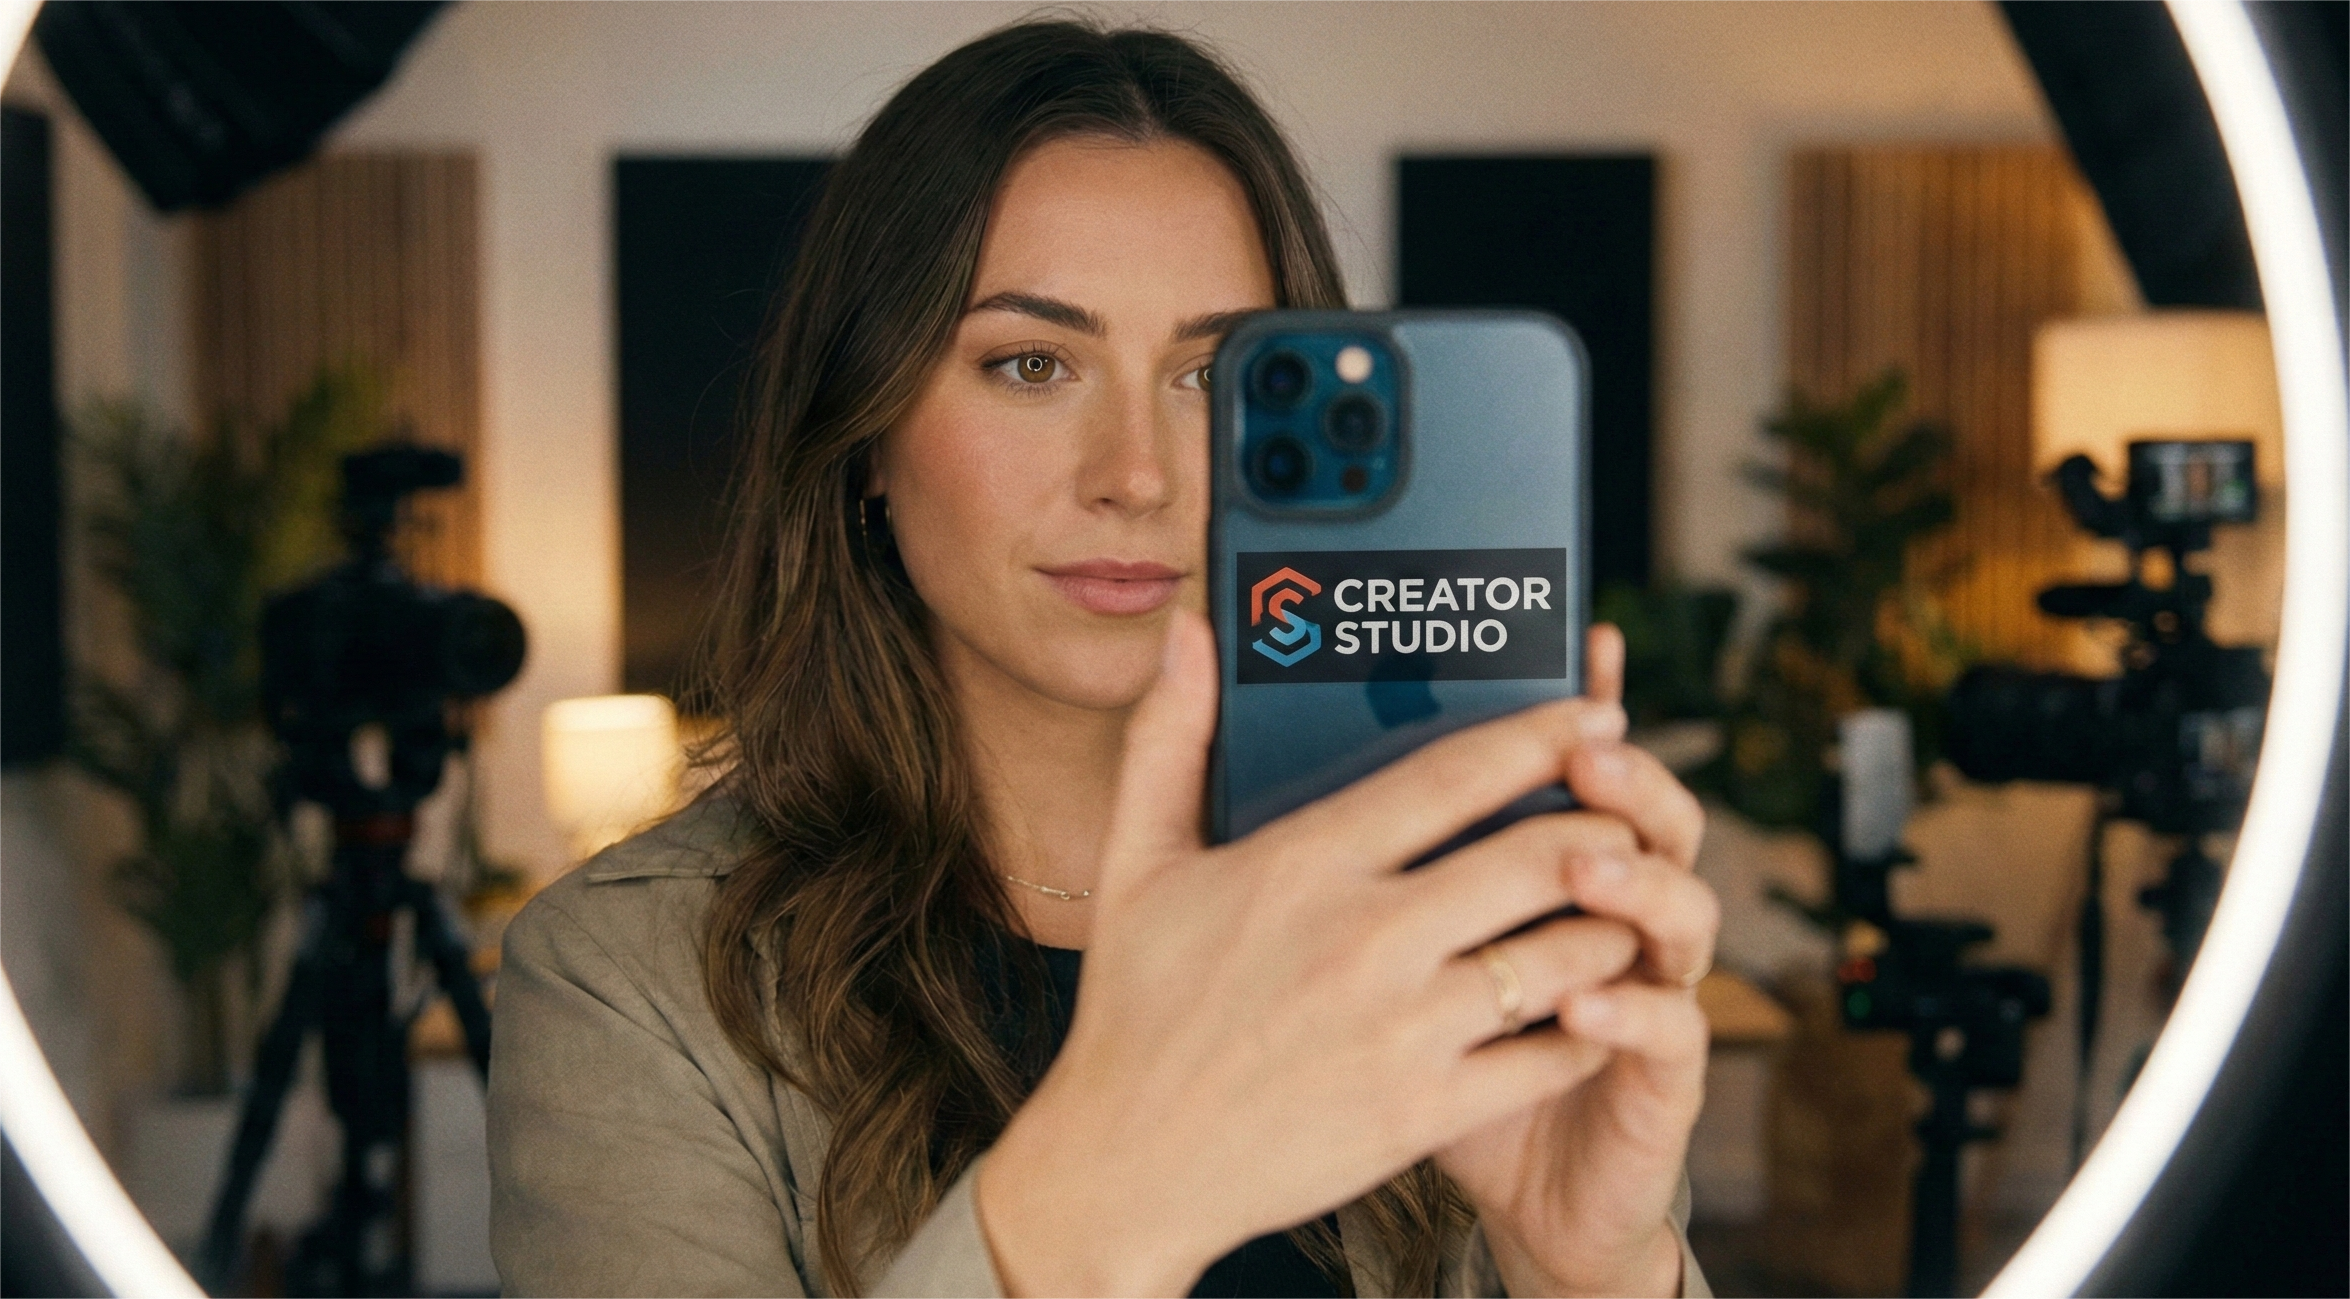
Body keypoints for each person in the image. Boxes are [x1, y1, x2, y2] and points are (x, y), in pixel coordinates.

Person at [488, 19, 1719, 1299]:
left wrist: (1592, 1269)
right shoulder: (627, 980)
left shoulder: (1458, 915)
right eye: (1031, 365)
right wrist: (1110, 1183)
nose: (1134, 475)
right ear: (865, 434)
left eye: (1215, 374)